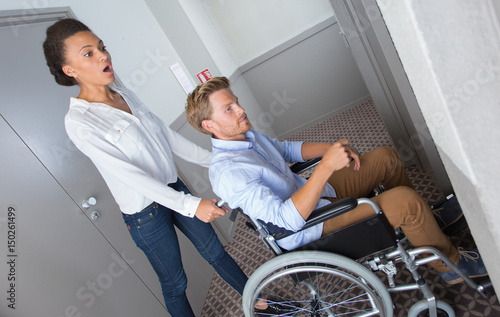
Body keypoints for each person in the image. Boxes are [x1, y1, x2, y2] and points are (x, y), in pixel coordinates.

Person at [185, 76, 488, 287]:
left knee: (385, 157)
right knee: (406, 202)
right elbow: (286, 220)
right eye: (230, 109)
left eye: (236, 102)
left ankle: (425, 224)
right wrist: (325, 168)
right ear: (209, 125)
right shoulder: (228, 174)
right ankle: (449, 265)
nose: (241, 109)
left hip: (315, 196)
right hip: (311, 227)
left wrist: (330, 150)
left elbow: (286, 149)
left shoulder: (245, 135)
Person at [42, 19, 250, 317]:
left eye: (102, 47)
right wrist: (190, 205)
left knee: (215, 252)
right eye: (88, 53)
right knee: (175, 283)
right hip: (145, 213)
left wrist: (217, 158)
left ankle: (260, 302)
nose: (103, 56)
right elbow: (131, 176)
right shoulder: (80, 121)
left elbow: (167, 138)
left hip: (173, 188)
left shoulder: (124, 94)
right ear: (70, 70)